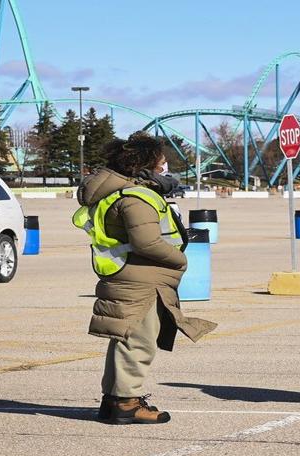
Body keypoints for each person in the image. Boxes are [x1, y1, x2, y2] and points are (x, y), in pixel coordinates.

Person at [76, 132, 217, 424]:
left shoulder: (123, 192)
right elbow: (147, 243)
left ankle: (115, 399)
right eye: (162, 162)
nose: (166, 167)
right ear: (144, 165)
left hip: (129, 275)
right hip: (141, 279)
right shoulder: (136, 198)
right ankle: (127, 403)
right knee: (138, 342)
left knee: (126, 339)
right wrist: (180, 259)